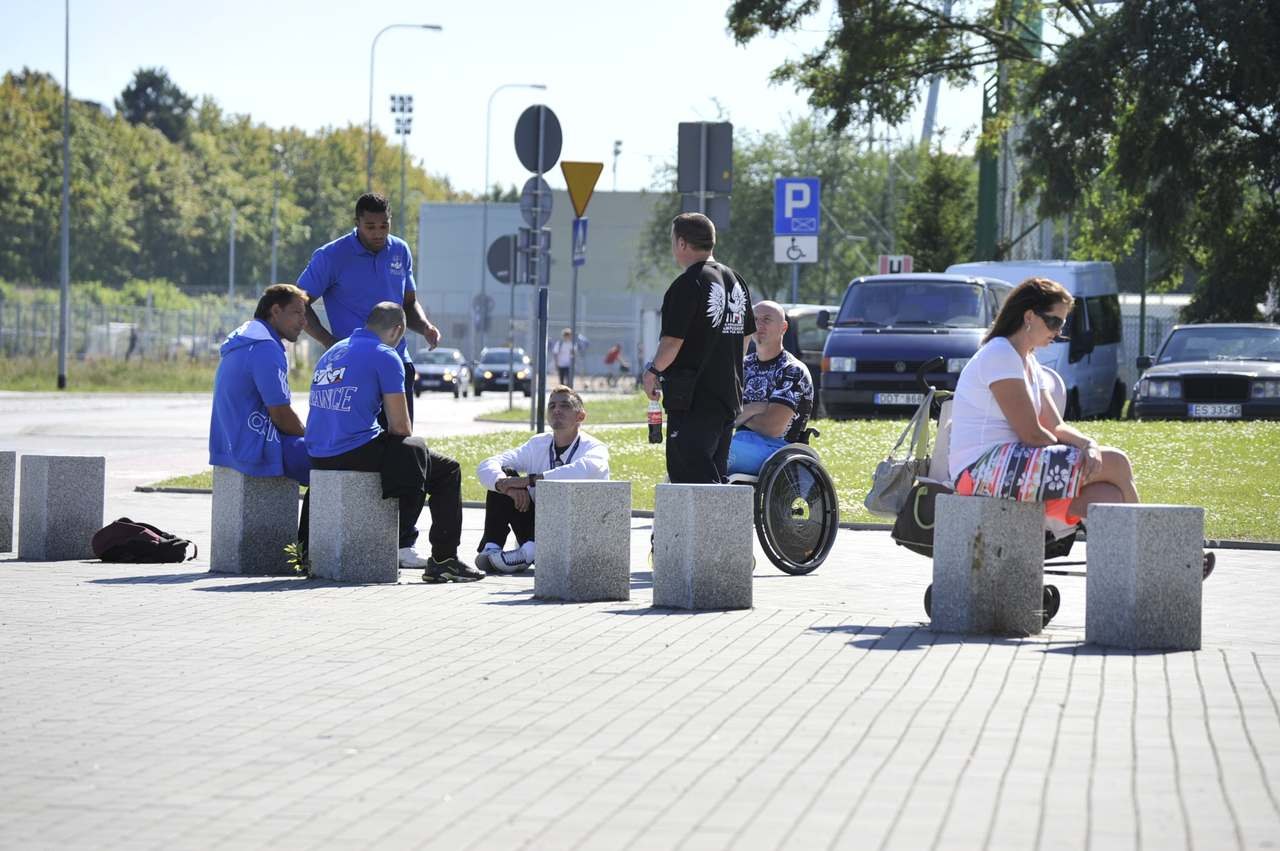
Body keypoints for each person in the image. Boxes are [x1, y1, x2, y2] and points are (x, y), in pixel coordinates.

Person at [305, 302, 483, 582]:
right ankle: (444, 559)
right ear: (398, 330)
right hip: (353, 451)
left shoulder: (333, 351)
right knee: (444, 467)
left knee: (410, 453)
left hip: (317, 453)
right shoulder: (386, 355)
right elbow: (401, 427)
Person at [948, 277, 1139, 527]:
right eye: (1054, 322)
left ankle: (1130, 551)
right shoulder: (1000, 353)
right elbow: (1032, 434)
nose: (1058, 332)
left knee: (1108, 496)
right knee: (1117, 463)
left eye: (1062, 324)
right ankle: (1151, 546)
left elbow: (1055, 426)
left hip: (1012, 466)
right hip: (979, 470)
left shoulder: (1029, 361)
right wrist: (1076, 452)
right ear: (1029, 316)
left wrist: (1088, 444)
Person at [297, 192, 441, 423]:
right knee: (360, 437)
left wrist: (425, 327)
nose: (378, 233)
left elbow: (408, 303)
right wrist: (329, 342)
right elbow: (298, 303)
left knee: (400, 435)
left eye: (384, 225)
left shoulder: (400, 250)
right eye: (370, 227)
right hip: (354, 364)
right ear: (357, 223)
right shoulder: (331, 256)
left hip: (397, 360)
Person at [642, 212, 756, 484]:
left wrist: (653, 371)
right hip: (727, 396)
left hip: (694, 399)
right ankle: (720, 515)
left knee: (690, 478)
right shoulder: (735, 280)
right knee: (714, 474)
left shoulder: (688, 283)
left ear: (682, 243)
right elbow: (745, 336)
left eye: (673, 241)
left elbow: (672, 342)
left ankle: (709, 515)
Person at [209, 284, 311, 539]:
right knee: (332, 461)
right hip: (257, 445)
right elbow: (281, 415)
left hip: (228, 445)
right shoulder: (266, 348)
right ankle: (313, 550)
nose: (304, 322)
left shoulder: (244, 340)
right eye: (297, 313)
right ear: (275, 311)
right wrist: (310, 437)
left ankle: (306, 546)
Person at [474, 386, 610, 573]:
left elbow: (584, 470)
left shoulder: (595, 447)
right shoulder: (538, 444)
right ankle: (493, 546)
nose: (557, 410)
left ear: (580, 416)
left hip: (576, 534)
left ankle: (529, 552)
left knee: (524, 484)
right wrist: (507, 487)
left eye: (565, 406)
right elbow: (487, 464)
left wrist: (528, 481)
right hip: (536, 525)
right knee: (504, 474)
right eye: (552, 406)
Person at [726, 300, 815, 476]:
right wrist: (755, 408)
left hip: (777, 451)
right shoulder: (743, 366)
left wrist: (739, 414)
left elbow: (772, 427)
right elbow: (724, 415)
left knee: (714, 453)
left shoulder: (792, 370)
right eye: (755, 319)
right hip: (740, 442)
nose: (759, 325)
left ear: (783, 327)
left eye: (767, 319)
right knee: (694, 447)